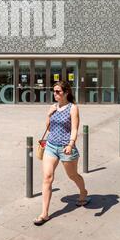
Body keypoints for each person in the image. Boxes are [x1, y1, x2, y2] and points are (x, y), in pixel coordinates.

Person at [34, 80, 91, 226]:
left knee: (72, 175)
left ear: (66, 93)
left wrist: (71, 144)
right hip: (51, 146)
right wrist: (48, 114)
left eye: (58, 91)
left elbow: (74, 128)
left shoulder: (73, 108)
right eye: (54, 91)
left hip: (66, 147)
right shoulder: (53, 106)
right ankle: (44, 214)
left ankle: (83, 192)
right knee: (47, 177)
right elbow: (49, 127)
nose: (55, 94)